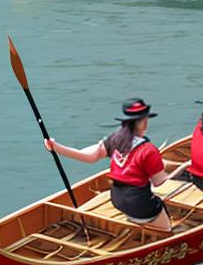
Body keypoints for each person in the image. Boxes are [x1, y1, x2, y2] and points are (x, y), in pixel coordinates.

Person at [45, 98, 175, 231]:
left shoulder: (115, 139)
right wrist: (178, 172)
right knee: (166, 226)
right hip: (138, 203)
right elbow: (159, 182)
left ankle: (136, 223)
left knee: (143, 204)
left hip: (117, 199)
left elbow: (88, 157)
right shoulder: (149, 150)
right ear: (144, 122)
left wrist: (57, 148)